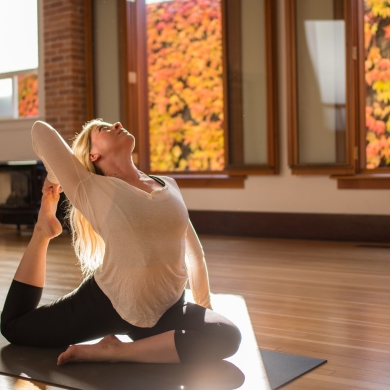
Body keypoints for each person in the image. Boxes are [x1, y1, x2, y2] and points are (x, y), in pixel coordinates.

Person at [0, 120, 241, 366]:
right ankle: (43, 231)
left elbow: (194, 255)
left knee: (228, 337)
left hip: (167, 309)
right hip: (105, 305)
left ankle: (115, 350)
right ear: (94, 154)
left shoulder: (168, 185)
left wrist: (204, 310)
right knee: (13, 327)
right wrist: (54, 177)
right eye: (102, 129)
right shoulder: (89, 187)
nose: (116, 123)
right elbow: (40, 130)